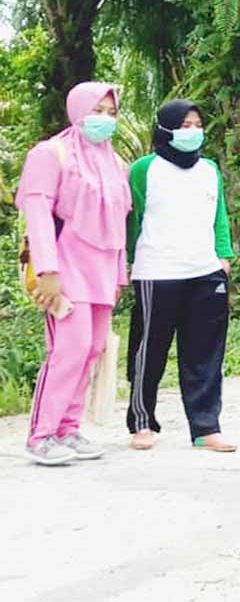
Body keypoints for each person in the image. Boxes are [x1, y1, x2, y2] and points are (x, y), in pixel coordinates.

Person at [15, 82, 131, 465]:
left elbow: (119, 224)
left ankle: (68, 427)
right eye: (97, 110)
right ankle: (42, 434)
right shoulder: (52, 153)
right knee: (68, 349)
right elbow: (37, 213)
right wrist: (48, 270)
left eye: (111, 113)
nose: (105, 120)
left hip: (100, 272)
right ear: (78, 110)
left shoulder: (115, 165)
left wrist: (118, 275)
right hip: (65, 269)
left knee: (94, 348)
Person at [124, 99, 237, 452]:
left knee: (205, 353)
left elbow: (219, 214)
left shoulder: (209, 169)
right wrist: (127, 262)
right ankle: (142, 422)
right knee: (149, 351)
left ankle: (206, 427)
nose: (192, 131)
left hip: (205, 271)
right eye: (184, 124)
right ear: (166, 128)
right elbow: (132, 219)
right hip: (157, 271)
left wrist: (224, 254)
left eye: (197, 124)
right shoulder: (145, 169)